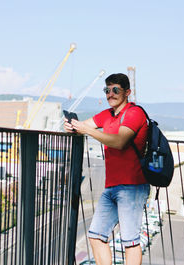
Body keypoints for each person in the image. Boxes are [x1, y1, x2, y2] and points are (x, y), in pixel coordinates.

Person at [64, 73, 150, 265]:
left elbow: (120, 141)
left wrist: (87, 130)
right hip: (111, 186)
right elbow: (83, 126)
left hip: (132, 186)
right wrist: (71, 127)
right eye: (107, 90)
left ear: (127, 92)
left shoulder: (135, 113)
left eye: (115, 90)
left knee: (130, 241)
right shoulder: (107, 114)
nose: (110, 94)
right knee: (95, 236)